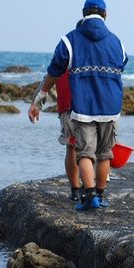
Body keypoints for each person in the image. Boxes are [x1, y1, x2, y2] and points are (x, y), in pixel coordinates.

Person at [31, 0, 128, 211]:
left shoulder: (69, 40)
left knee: (83, 152)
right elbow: (123, 62)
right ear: (105, 14)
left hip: (84, 107)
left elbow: (55, 69)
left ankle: (89, 196)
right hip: (111, 107)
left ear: (83, 13)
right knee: (104, 153)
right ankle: (101, 196)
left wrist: (42, 94)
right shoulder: (116, 41)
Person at [28, 68, 81, 201]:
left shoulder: (64, 48)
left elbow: (51, 74)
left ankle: (75, 191)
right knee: (91, 145)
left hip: (67, 103)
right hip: (87, 101)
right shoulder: (94, 47)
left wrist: (36, 102)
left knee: (71, 146)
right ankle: (89, 189)